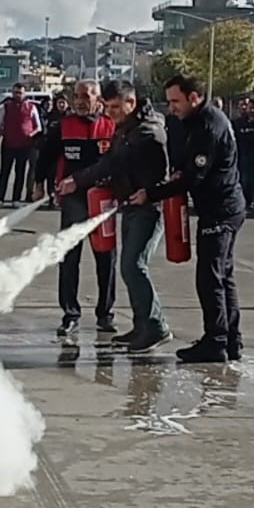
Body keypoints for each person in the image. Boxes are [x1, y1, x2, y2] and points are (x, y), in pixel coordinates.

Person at [131, 74, 245, 363]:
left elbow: (193, 177)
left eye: (176, 101)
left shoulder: (209, 125)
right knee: (223, 276)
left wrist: (151, 194)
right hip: (220, 207)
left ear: (194, 97)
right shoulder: (195, 122)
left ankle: (216, 342)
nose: (171, 107)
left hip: (221, 209)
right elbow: (186, 160)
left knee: (210, 278)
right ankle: (231, 339)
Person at [59, 80, 171, 354]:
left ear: (131, 103)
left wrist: (78, 180)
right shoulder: (127, 127)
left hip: (148, 207)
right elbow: (111, 161)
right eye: (108, 107)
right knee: (128, 267)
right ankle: (141, 325)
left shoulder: (147, 131)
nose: (111, 113)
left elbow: (114, 162)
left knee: (134, 266)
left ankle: (156, 326)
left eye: (117, 107)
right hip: (131, 204)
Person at [48, 80, 117, 337]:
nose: (79, 101)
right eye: (76, 96)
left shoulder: (111, 126)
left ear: (98, 100)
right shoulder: (63, 126)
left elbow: (117, 162)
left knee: (106, 259)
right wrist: (38, 183)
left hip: (103, 202)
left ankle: (105, 314)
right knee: (69, 259)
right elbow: (46, 155)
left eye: (85, 96)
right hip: (73, 202)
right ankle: (70, 314)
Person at [0, 84, 43, 204]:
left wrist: (30, 134)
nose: (18, 95)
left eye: (20, 93)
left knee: (20, 172)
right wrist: (4, 133)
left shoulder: (31, 107)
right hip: (8, 144)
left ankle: (16, 199)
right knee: (4, 171)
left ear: (24, 94)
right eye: (16, 92)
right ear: (12, 93)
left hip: (24, 145)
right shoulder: (5, 107)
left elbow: (38, 127)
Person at [231, 99, 254, 213]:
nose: (252, 110)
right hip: (243, 155)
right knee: (244, 181)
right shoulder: (238, 122)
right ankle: (246, 203)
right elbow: (237, 138)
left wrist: (252, 134)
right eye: (250, 107)